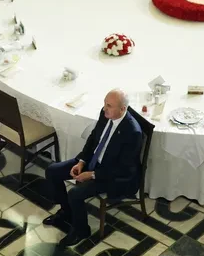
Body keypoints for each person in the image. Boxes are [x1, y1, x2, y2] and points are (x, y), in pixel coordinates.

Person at [42, 89, 143, 247]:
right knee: (52, 171)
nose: (104, 108)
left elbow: (123, 169)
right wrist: (82, 161)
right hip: (92, 161)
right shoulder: (106, 114)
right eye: (104, 103)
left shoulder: (132, 133)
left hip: (111, 175)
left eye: (109, 105)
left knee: (75, 194)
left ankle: (81, 230)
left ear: (123, 109)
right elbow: (93, 138)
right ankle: (66, 212)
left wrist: (92, 175)